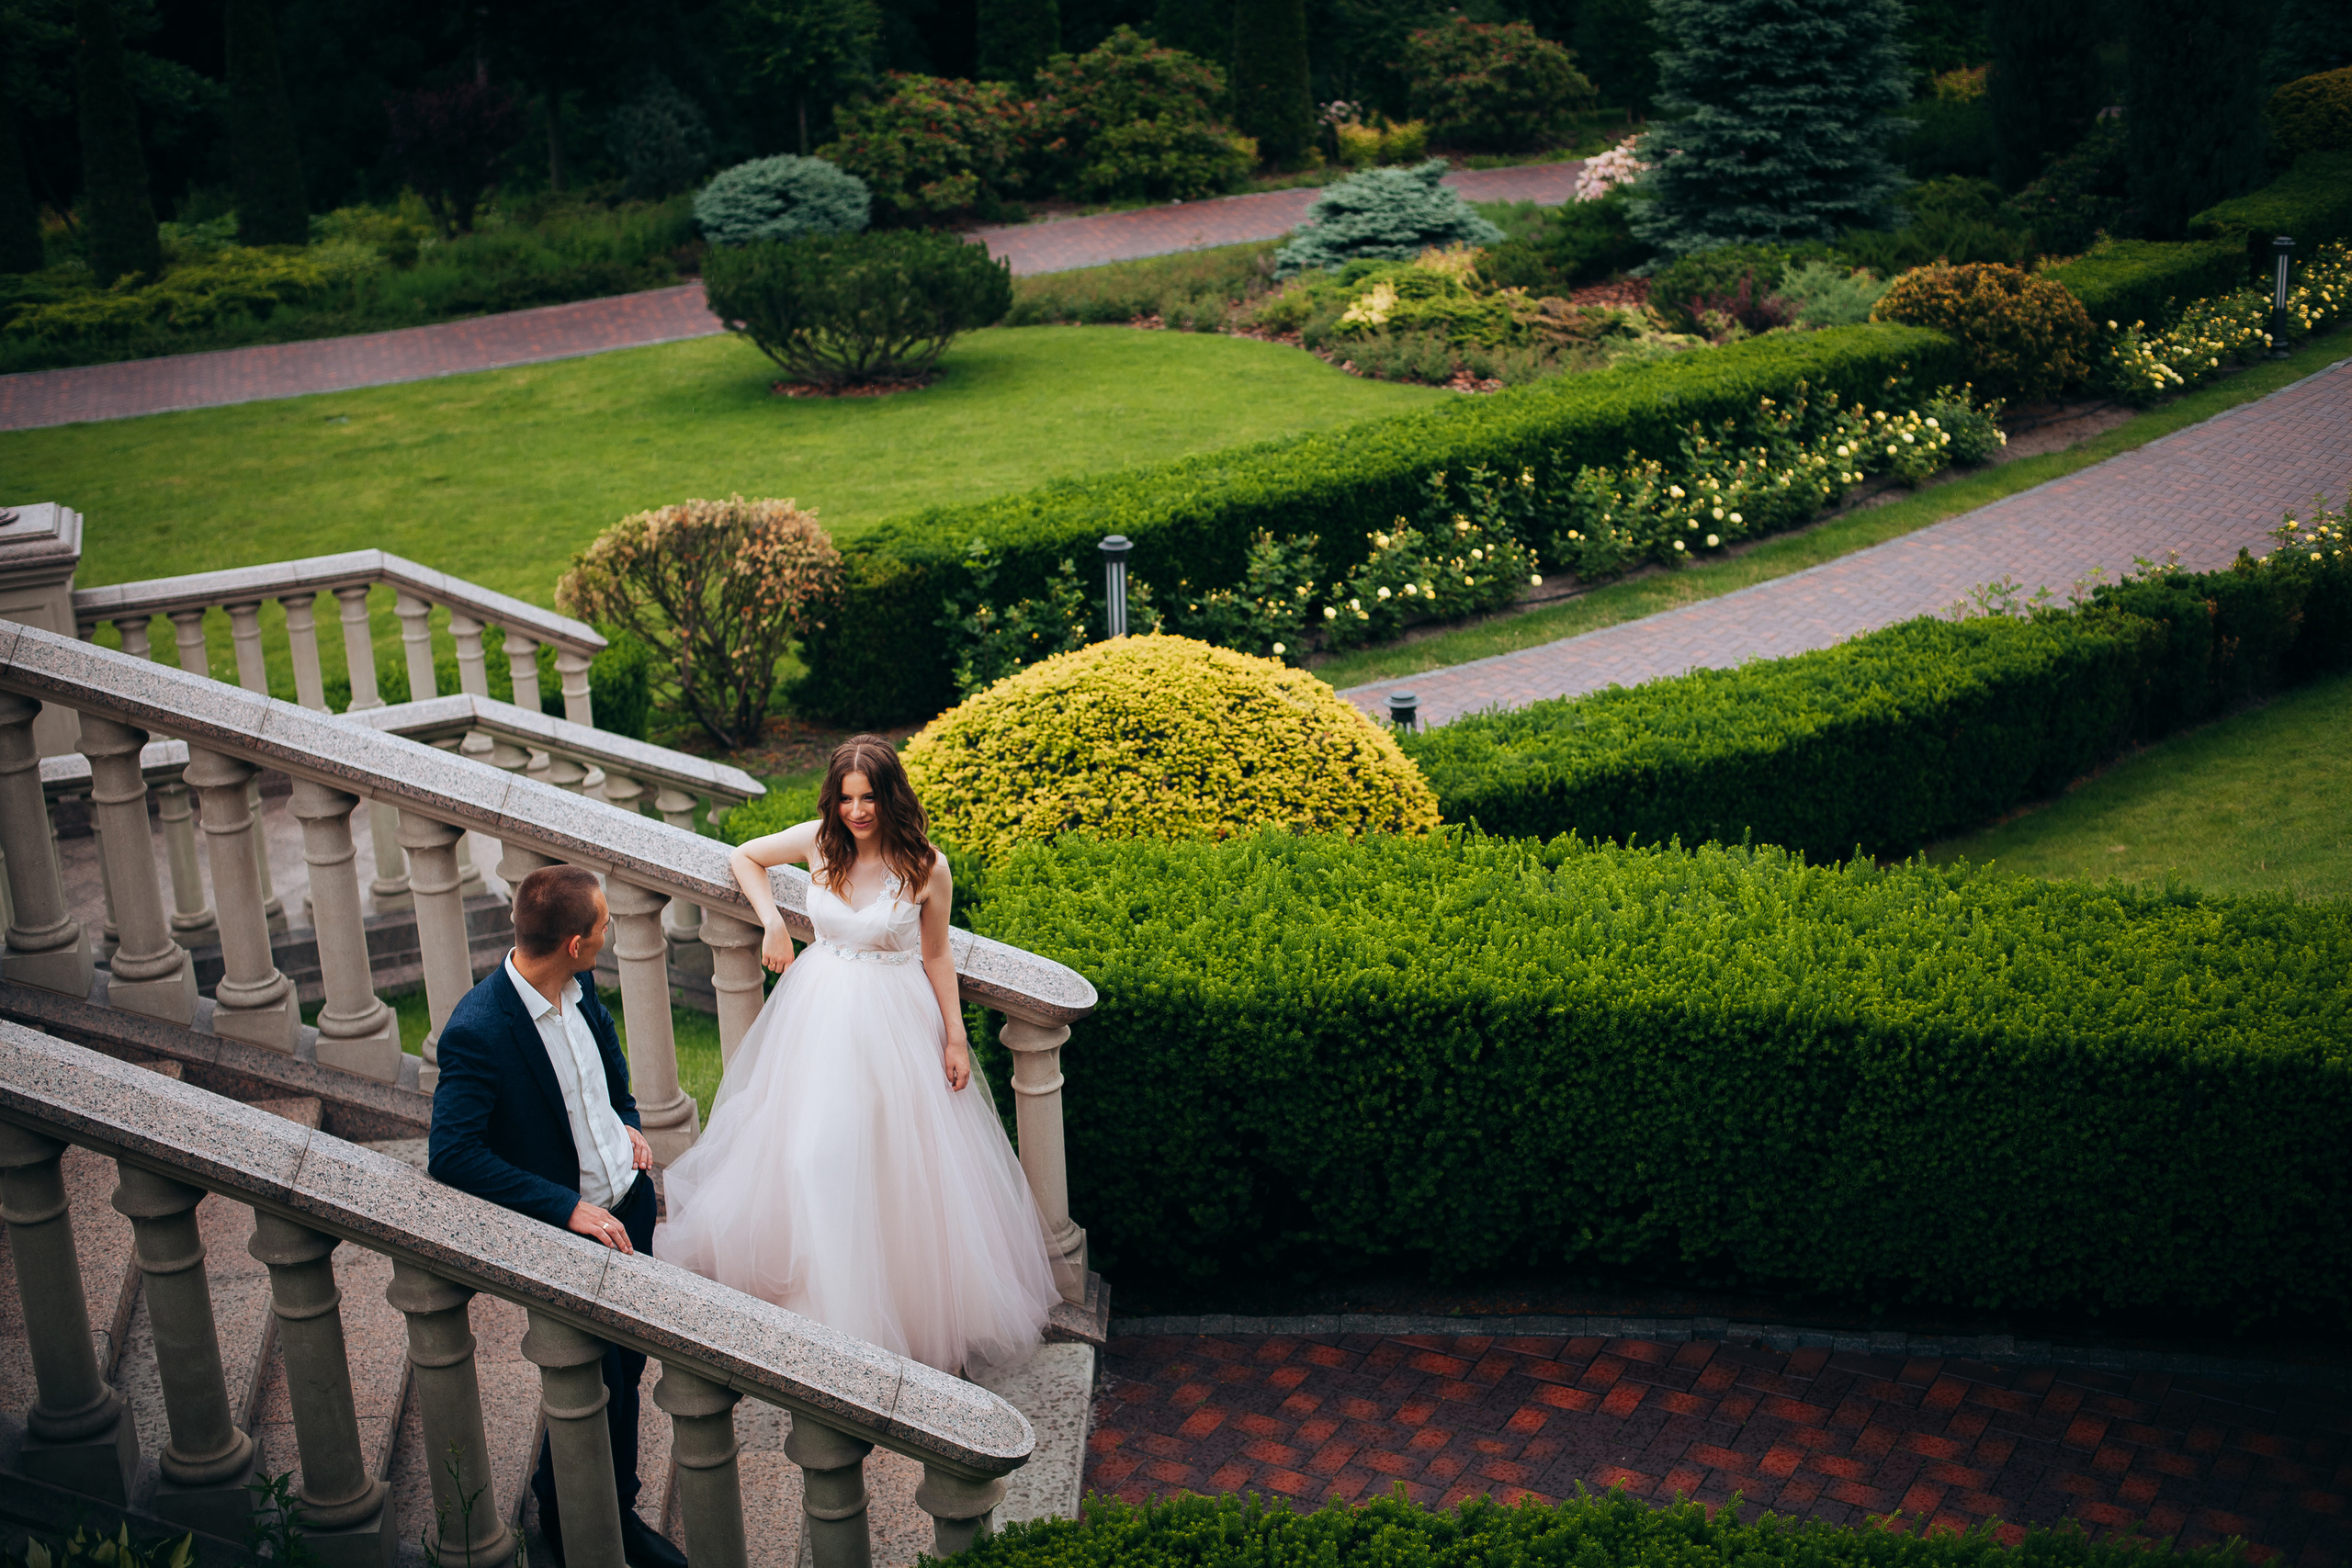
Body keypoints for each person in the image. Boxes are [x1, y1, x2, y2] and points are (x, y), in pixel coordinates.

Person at [652, 735, 1071, 1375]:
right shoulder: (819, 842)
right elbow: (745, 857)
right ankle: (827, 1312)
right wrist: (770, 919)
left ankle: (887, 1319)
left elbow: (936, 955)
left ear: (890, 795)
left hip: (894, 1023)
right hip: (817, 1016)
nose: (856, 810)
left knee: (887, 1165)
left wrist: (955, 1037)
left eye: (868, 797)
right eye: (846, 798)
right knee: (810, 1153)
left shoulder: (926, 866)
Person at [427, 864, 688, 1568]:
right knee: (598, 1376)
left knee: (625, 1368)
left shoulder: (580, 984)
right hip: (579, 1230)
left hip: (629, 1207)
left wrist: (628, 1120)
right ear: (576, 941)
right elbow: (451, 1154)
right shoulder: (479, 1030)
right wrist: (564, 1206)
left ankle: (588, 1493)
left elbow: (607, 1064)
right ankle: (591, 1516)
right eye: (604, 924)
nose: (609, 931)